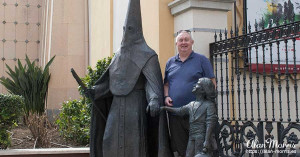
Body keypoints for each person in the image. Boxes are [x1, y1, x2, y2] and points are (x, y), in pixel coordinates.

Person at [83, 0, 172, 156]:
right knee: (110, 139)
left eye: (130, 28)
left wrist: (153, 99)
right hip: (116, 108)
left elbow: (151, 84)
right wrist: (96, 91)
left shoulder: (148, 55)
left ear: (137, 30)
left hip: (135, 106)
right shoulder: (118, 54)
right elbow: (112, 80)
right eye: (125, 28)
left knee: (135, 144)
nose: (126, 32)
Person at [164, 30, 216, 156]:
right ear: (176, 43)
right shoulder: (170, 62)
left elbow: (212, 83)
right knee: (181, 147)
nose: (183, 43)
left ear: (192, 42)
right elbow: (166, 84)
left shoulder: (201, 60)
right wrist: (166, 96)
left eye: (186, 40)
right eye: (181, 40)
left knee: (199, 149)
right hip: (176, 114)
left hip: (197, 116)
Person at [161, 78, 218, 157]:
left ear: (202, 90)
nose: (194, 85)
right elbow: (180, 111)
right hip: (192, 135)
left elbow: (210, 123)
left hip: (201, 136)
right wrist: (165, 108)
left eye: (198, 84)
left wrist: (207, 140)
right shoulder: (191, 104)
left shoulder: (208, 105)